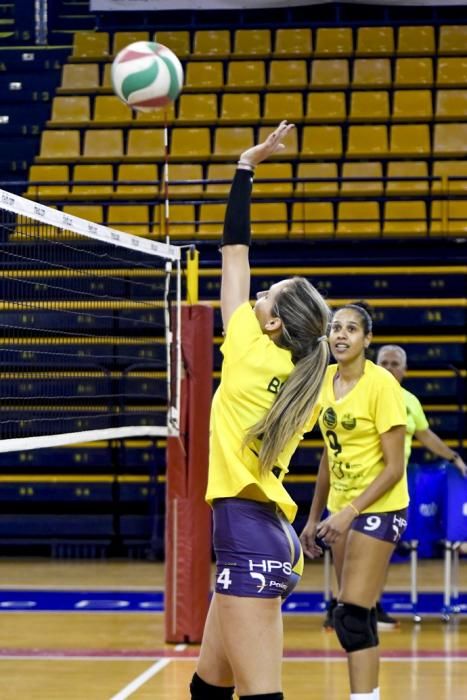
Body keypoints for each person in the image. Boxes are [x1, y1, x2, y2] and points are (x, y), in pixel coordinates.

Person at [190, 121, 331, 700]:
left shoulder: (248, 352)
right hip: (265, 535)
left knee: (261, 697)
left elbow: (234, 251)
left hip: (249, 537)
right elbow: (240, 261)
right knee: (208, 687)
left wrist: (245, 168)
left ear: (272, 324)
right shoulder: (309, 377)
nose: (256, 293)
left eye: (266, 293)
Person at [300, 302, 408, 700]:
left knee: (352, 617)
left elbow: (395, 468)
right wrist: (314, 517)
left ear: (367, 338)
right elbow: (330, 453)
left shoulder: (383, 385)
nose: (341, 335)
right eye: (335, 328)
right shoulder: (325, 380)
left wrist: (349, 512)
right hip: (340, 510)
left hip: (379, 508)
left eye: (351, 329)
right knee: (352, 618)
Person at [377, 344, 466, 477]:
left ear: (404, 370)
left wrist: (454, 458)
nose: (389, 368)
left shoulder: (410, 400)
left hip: (395, 482)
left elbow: (425, 435)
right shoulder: (359, 396)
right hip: (362, 481)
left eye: (395, 364)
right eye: (384, 363)